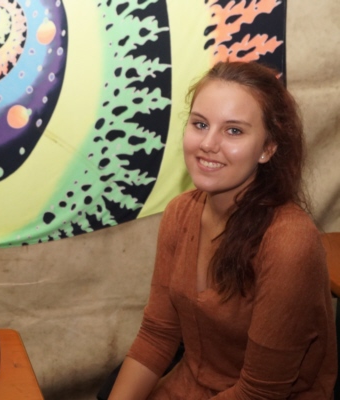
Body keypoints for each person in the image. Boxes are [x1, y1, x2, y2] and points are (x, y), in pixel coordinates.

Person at [108, 61, 337, 399]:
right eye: (200, 124)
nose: (208, 143)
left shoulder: (289, 242)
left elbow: (259, 392)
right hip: (189, 384)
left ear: (268, 148)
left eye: (234, 131)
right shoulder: (179, 213)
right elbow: (157, 336)